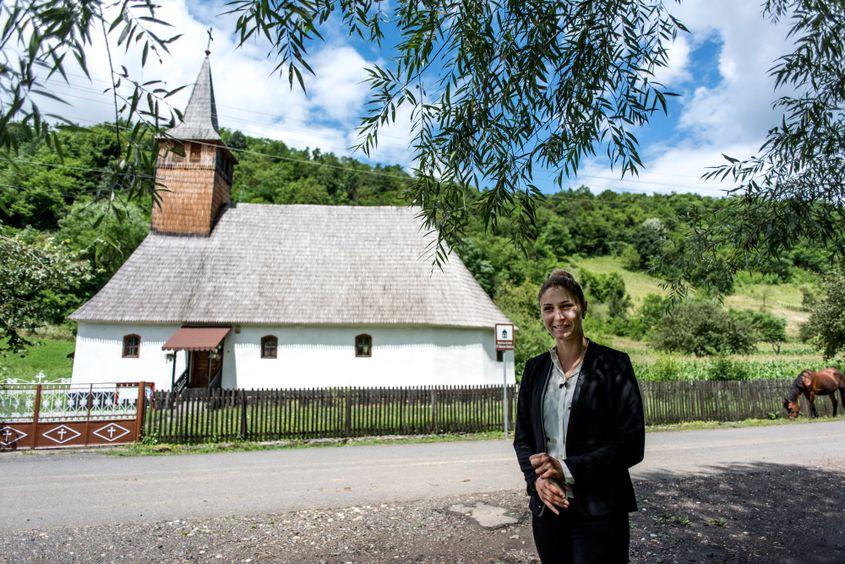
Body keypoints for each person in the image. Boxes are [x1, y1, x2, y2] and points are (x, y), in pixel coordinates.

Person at [513, 269, 645, 563]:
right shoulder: (534, 370)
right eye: (548, 309)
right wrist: (536, 481)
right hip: (548, 511)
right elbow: (522, 438)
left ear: (581, 307)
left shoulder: (614, 365)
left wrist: (567, 468)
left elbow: (632, 445)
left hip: (600, 511)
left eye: (566, 306)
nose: (558, 317)